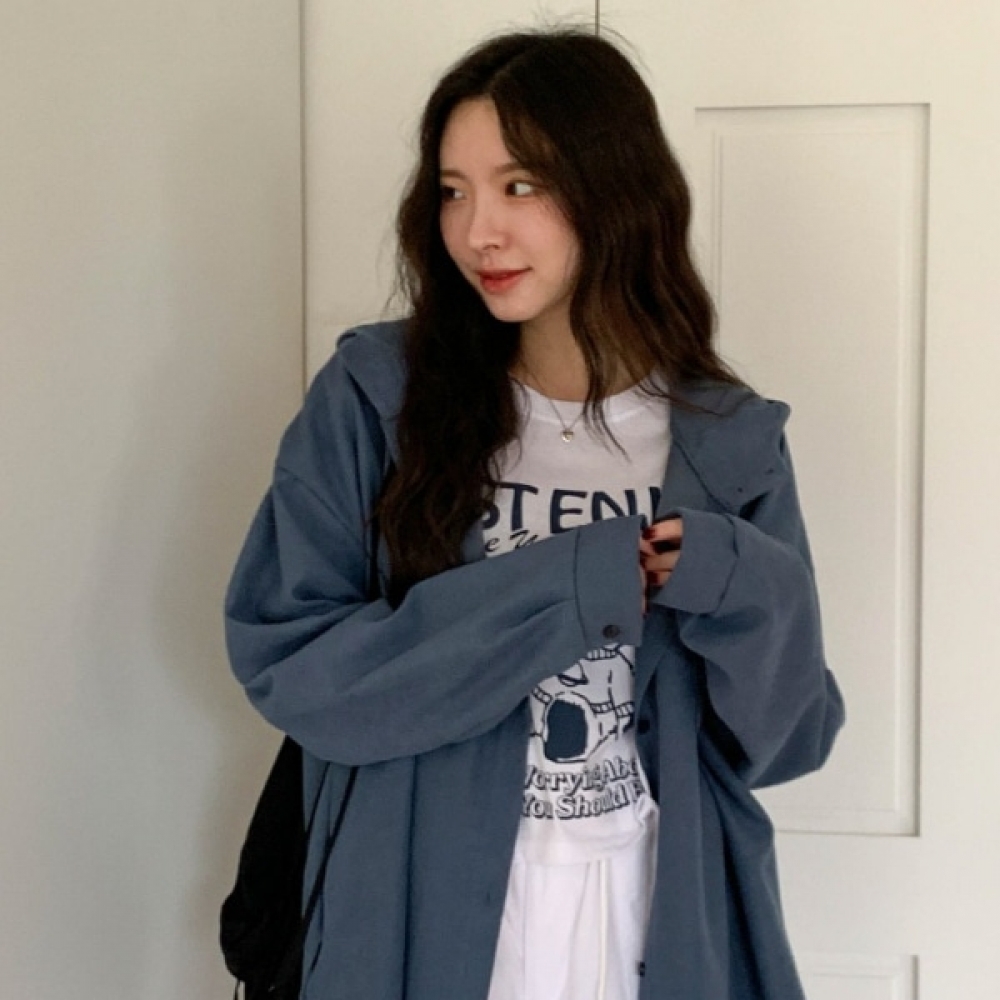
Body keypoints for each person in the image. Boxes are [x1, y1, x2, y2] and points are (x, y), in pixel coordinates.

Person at [224, 27, 845, 1000]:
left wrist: (742, 582)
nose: (478, 231)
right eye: (452, 190)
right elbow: (293, 665)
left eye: (520, 186)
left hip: (650, 904)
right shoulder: (376, 399)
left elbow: (785, 742)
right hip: (417, 902)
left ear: (615, 188)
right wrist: (572, 586)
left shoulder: (729, 440)